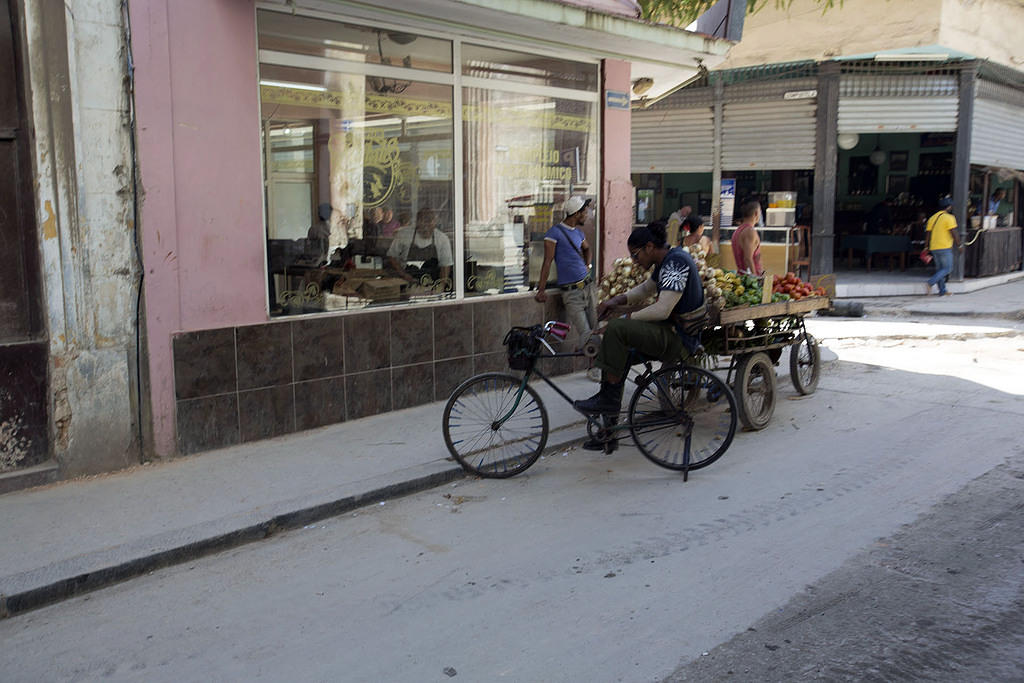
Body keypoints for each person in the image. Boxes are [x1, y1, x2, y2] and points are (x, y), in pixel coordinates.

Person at [574, 221, 706, 450]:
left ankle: (607, 400)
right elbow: (646, 289)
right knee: (614, 354)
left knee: (616, 328)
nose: (635, 262)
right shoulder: (664, 262)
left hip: (681, 339)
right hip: (668, 331)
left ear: (649, 247)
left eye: (636, 255)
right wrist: (615, 300)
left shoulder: (676, 263)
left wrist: (624, 320)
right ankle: (608, 433)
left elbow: (662, 309)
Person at [535, 195, 597, 351]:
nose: (587, 215)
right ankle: (595, 369)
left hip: (588, 287)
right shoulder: (554, 233)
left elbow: (587, 248)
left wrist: (587, 265)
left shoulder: (578, 233)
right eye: (585, 212)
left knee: (595, 329)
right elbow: (547, 261)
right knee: (585, 332)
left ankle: (593, 366)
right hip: (572, 293)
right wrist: (541, 289)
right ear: (576, 214)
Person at [387, 207, 453, 286]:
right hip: (406, 281)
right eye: (423, 221)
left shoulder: (442, 239)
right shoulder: (404, 234)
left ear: (435, 222)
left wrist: (441, 286)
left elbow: (445, 265)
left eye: (429, 221)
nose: (426, 226)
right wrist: (403, 274)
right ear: (417, 222)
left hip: (432, 283)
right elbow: (392, 256)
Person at [924, 196, 962, 296]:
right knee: (947, 268)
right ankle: (930, 283)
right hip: (944, 247)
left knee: (940, 269)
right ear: (948, 207)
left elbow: (928, 234)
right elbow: (954, 233)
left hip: (934, 247)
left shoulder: (932, 218)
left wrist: (926, 247)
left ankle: (942, 290)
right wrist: (959, 245)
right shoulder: (949, 218)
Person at [731, 200, 763, 275]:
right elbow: (747, 259)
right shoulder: (749, 231)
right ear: (756, 213)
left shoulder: (738, 230)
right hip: (749, 280)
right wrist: (754, 278)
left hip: (742, 276)